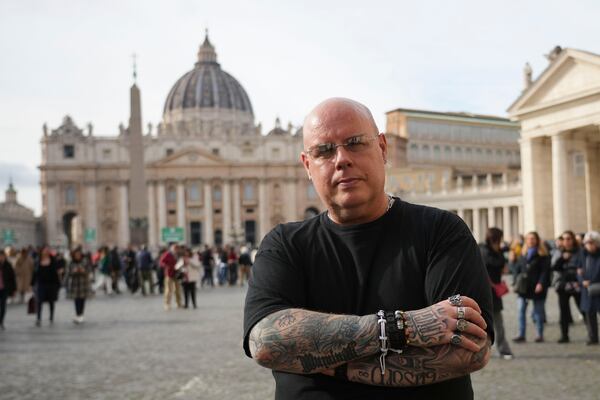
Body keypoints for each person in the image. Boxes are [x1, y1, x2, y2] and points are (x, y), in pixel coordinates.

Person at [243, 98, 493, 399]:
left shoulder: (441, 231)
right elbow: (266, 342)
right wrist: (405, 325)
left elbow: (470, 353)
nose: (341, 159)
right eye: (324, 151)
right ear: (308, 166)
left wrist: (326, 363)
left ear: (383, 149)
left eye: (355, 143)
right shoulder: (283, 244)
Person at [480, 227, 513, 359]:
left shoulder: (491, 251)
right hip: (486, 292)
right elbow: (498, 264)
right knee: (491, 323)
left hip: (491, 292)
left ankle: (500, 348)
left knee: (496, 323)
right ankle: (500, 349)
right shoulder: (486, 251)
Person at [512, 231, 551, 343]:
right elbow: (518, 269)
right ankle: (521, 334)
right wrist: (515, 281)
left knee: (538, 312)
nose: (530, 240)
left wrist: (541, 283)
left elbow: (545, 271)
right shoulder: (523, 254)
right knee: (521, 311)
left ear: (537, 240)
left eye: (533, 238)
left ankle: (539, 334)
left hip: (537, 286)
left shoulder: (543, 255)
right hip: (524, 287)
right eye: (528, 238)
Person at [551, 230, 583, 343]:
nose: (566, 241)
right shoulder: (559, 252)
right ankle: (564, 335)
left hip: (577, 283)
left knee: (583, 308)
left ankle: (592, 333)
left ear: (573, 239)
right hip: (563, 285)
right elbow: (554, 267)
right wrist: (562, 259)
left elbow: (583, 264)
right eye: (564, 239)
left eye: (568, 238)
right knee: (563, 311)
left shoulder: (580, 252)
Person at [32, 247, 61, 326]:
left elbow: (56, 273)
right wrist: (32, 283)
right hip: (41, 284)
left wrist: (58, 284)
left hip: (51, 284)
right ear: (41, 252)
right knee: (39, 301)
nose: (45, 252)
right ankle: (38, 318)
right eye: (44, 251)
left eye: (47, 251)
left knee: (51, 302)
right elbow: (35, 273)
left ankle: (51, 317)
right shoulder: (38, 261)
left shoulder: (53, 261)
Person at [580, 231, 600, 345]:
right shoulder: (583, 255)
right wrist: (582, 280)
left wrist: (591, 281)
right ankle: (593, 337)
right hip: (587, 290)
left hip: (597, 287)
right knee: (589, 314)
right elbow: (578, 270)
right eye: (587, 243)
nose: (589, 245)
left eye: (591, 243)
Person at [64, 248, 92, 324]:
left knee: (82, 300)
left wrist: (83, 271)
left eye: (79, 254)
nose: (77, 255)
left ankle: (81, 315)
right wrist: (74, 271)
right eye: (76, 254)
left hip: (83, 283)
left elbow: (89, 270)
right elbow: (68, 272)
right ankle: (77, 314)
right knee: (76, 300)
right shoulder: (71, 262)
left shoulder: (85, 261)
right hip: (75, 284)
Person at [159, 243, 182, 310]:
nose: (176, 250)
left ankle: (178, 303)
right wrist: (167, 266)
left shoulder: (178, 255)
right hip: (169, 274)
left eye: (177, 249)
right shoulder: (167, 254)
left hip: (177, 273)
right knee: (168, 290)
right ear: (172, 248)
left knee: (178, 289)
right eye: (175, 248)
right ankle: (167, 304)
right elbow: (161, 262)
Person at [0, 249, 17, 330]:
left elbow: (12, 278)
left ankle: (1, 320)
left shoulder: (8, 265)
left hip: (4, 289)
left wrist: (14, 289)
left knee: (3, 306)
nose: (1, 257)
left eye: (2, 256)